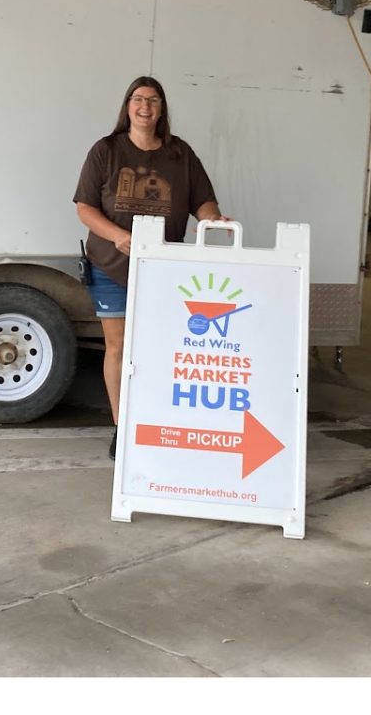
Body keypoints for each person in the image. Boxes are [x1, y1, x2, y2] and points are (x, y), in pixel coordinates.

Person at [72, 77, 226, 460]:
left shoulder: (180, 154)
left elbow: (203, 200)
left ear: (162, 109)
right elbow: (85, 208)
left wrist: (213, 220)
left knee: (160, 349)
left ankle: (156, 421)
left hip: (164, 271)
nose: (145, 106)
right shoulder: (105, 151)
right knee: (119, 346)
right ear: (127, 106)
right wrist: (119, 236)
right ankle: (122, 427)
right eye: (138, 99)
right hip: (112, 266)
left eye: (153, 100)